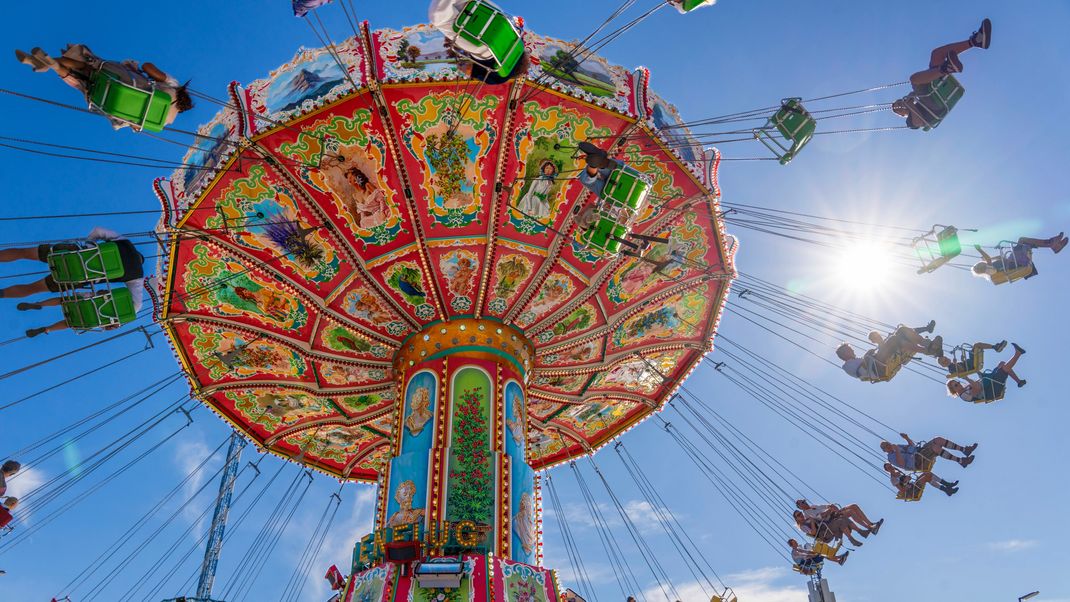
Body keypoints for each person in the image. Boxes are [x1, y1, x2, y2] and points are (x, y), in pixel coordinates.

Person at [0, 227, 145, 337]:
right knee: (33, 288)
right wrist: (116, 322)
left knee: (23, 253)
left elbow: (98, 230)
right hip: (76, 278)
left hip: (72, 254)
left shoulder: (126, 243)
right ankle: (3, 294)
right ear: (141, 262)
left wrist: (88, 245)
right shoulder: (137, 276)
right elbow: (136, 306)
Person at [14, 44, 193, 130]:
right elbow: (137, 126)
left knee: (87, 65)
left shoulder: (174, 86)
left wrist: (150, 75)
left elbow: (147, 66)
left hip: (125, 82)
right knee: (81, 85)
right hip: (111, 105)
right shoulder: (165, 121)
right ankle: (54, 67)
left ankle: (49, 61)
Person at [891, 19, 991, 129]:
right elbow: (918, 122)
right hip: (934, 106)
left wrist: (911, 98)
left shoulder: (916, 99)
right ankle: (946, 68)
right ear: (901, 115)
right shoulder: (909, 122)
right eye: (899, 108)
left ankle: (976, 40)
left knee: (936, 55)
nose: (900, 105)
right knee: (914, 80)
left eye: (899, 102)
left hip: (932, 93)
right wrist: (909, 104)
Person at [431, 0, 529, 84]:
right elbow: (439, 16)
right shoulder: (483, 51)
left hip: (501, 25)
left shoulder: (508, 27)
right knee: (440, 19)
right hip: (488, 52)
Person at [836, 321, 944, 381]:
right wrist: (870, 353)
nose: (852, 349)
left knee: (902, 332)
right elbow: (862, 372)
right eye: (849, 349)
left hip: (879, 361)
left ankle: (929, 346)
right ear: (844, 353)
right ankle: (928, 349)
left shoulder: (855, 360)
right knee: (896, 339)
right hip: (877, 367)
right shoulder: (847, 366)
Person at [972, 234, 1067, 285]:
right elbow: (988, 260)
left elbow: (1001, 258)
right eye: (979, 266)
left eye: (978, 264)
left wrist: (993, 256)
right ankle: (1051, 244)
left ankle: (1052, 244)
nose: (980, 264)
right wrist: (979, 249)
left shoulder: (992, 267)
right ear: (981, 269)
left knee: (1023, 240)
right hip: (1017, 262)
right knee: (1022, 240)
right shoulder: (990, 272)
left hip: (1015, 260)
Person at [947, 343, 1027, 403]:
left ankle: (1019, 382)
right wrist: (967, 378)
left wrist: (977, 372)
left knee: (1002, 364)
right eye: (956, 385)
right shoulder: (964, 396)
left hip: (989, 383)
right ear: (954, 390)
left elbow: (978, 383)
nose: (959, 383)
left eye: (957, 382)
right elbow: (978, 388)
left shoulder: (966, 388)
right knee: (1004, 369)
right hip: (991, 390)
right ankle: (1018, 353)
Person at [881, 434, 977, 470]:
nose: (889, 445)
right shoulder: (891, 458)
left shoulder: (897, 446)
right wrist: (897, 451)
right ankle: (961, 461)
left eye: (888, 443)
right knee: (935, 448)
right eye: (886, 446)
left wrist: (907, 438)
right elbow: (902, 464)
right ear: (885, 450)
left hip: (918, 451)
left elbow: (911, 446)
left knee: (938, 439)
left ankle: (964, 450)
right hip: (916, 461)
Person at [795, 499, 883, 535]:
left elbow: (825, 506)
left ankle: (870, 523)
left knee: (854, 505)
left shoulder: (813, 506)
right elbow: (820, 517)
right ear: (800, 507)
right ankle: (870, 528)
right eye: (802, 503)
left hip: (833, 514)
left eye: (803, 501)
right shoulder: (807, 514)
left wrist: (830, 506)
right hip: (829, 520)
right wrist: (830, 510)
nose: (804, 502)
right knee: (851, 512)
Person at [794, 510, 869, 547]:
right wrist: (813, 522)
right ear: (797, 519)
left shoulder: (808, 519)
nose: (801, 515)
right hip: (823, 534)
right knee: (840, 521)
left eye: (800, 513)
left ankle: (861, 532)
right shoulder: (803, 526)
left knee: (842, 517)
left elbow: (818, 519)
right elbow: (813, 532)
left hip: (826, 526)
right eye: (798, 515)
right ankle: (852, 539)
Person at [884, 463, 958, 498]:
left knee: (927, 473)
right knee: (926, 477)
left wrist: (908, 477)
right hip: (911, 489)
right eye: (889, 468)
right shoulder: (893, 479)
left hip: (913, 484)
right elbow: (902, 490)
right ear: (887, 470)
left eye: (890, 466)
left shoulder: (898, 472)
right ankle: (947, 488)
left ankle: (947, 487)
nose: (891, 468)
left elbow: (908, 477)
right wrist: (906, 482)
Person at [938, 340, 1006, 376]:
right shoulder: (951, 369)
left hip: (970, 363)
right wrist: (956, 364)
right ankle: (995, 347)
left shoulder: (953, 364)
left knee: (977, 345)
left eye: (945, 358)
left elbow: (963, 365)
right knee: (976, 345)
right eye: (944, 361)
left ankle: (995, 347)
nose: (946, 360)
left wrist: (963, 360)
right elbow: (962, 371)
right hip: (972, 365)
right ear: (943, 366)